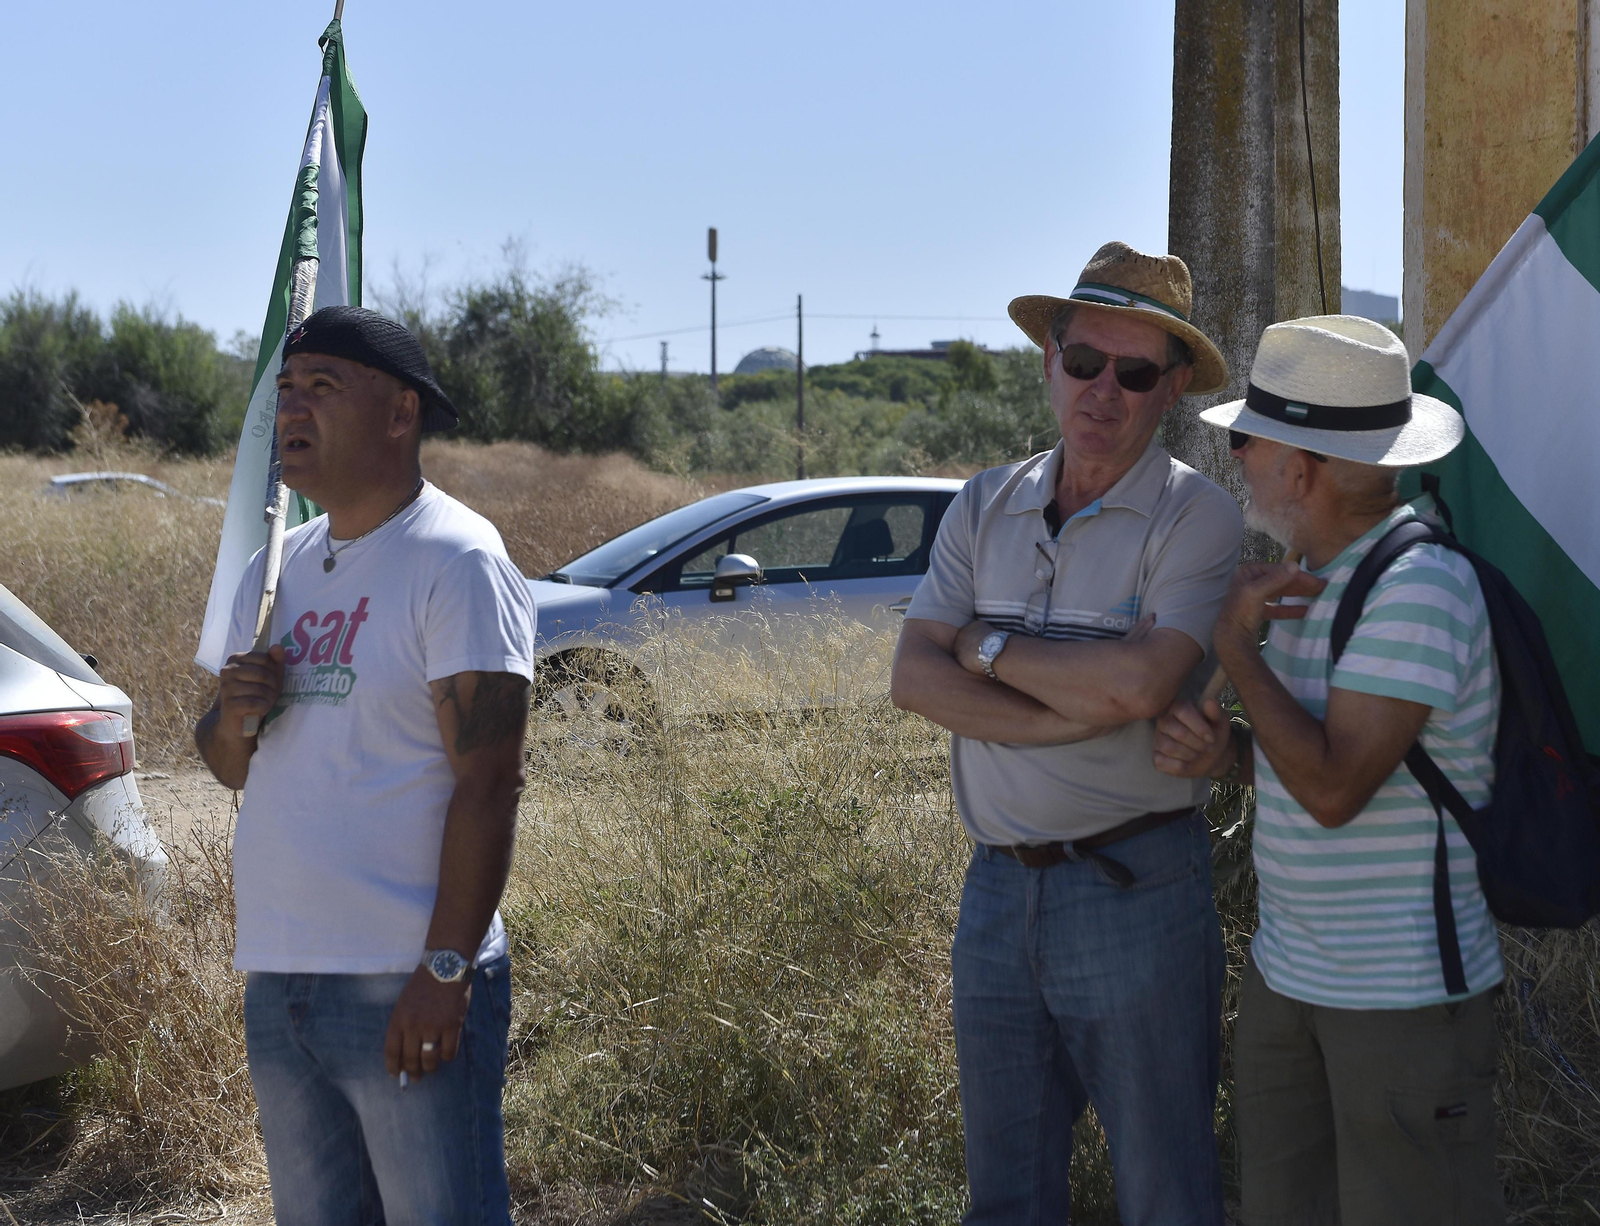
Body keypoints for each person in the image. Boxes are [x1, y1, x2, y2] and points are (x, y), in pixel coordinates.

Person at [891, 241, 1244, 1224]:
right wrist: (1071, 704)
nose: (1103, 390)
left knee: (1165, 1190)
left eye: (1134, 373)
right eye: (1085, 360)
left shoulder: (1196, 516)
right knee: (1005, 1195)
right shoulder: (983, 500)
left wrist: (983, 645)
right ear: (1049, 360)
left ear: (1171, 389)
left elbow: (1141, 684)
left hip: (1137, 891)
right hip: (996, 889)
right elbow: (911, 678)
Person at [1153, 315, 1505, 1225]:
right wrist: (1229, 755)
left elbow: (1336, 790)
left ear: (1301, 469)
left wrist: (1237, 649)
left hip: (1400, 999)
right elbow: (1312, 762)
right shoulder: (1312, 576)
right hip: (1293, 979)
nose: (1237, 457)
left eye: (1248, 440)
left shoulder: (1419, 588)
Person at [194, 306, 537, 1225]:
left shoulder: (457, 559)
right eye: (286, 390)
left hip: (403, 978)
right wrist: (235, 717)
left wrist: (445, 970)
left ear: (400, 412)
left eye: (323, 387)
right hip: (282, 980)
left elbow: (491, 781)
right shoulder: (277, 568)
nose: (292, 411)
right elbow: (228, 765)